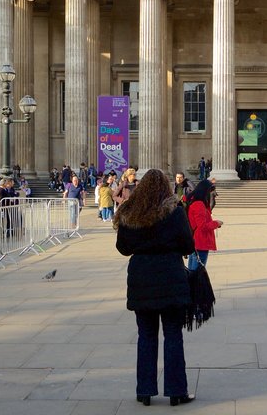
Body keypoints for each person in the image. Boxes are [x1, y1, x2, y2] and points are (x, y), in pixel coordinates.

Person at [114, 169, 196, 407]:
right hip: (170, 275)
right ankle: (176, 391)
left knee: (146, 335)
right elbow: (188, 245)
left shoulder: (130, 213)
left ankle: (145, 391)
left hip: (141, 279)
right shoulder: (175, 212)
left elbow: (123, 248)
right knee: (173, 334)